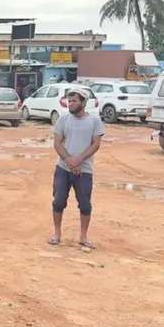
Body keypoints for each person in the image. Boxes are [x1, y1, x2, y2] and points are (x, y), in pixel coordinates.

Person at [49, 88, 105, 249]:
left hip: (84, 169)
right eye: (69, 101)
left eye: (74, 101)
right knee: (58, 201)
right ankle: (57, 234)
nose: (70, 104)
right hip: (63, 168)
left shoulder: (94, 122)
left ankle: (83, 236)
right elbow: (57, 143)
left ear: (83, 102)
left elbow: (96, 144)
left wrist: (79, 160)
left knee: (85, 204)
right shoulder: (63, 120)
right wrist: (69, 161)